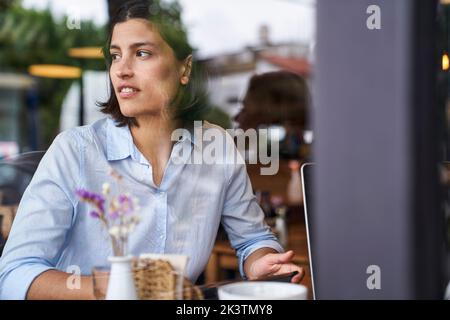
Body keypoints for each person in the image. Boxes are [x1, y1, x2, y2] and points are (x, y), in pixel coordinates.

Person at [0, 1, 304, 300]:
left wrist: (261, 261)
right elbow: (14, 275)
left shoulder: (217, 146)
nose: (122, 70)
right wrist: (110, 288)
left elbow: (253, 240)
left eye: (142, 53)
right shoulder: (74, 150)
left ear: (184, 69)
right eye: (116, 56)